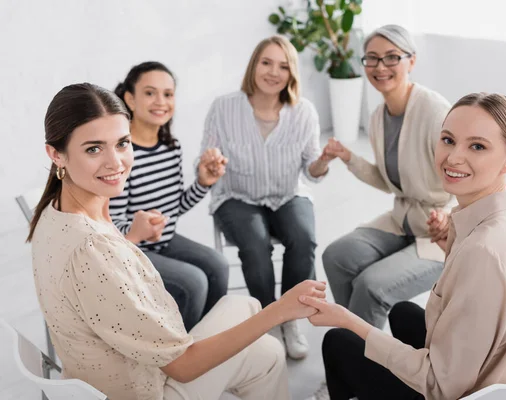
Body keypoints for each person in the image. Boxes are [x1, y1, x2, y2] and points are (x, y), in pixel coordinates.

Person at [28, 82, 327, 400]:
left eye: (122, 143)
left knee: (253, 322)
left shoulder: (53, 212)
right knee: (260, 331)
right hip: (146, 389)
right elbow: (182, 367)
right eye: (93, 148)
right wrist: (281, 310)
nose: (115, 162)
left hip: (102, 373)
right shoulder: (93, 249)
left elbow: (102, 275)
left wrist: (131, 238)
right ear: (56, 154)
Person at [304, 93, 506, 400]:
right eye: (448, 140)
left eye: (477, 146)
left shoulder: (484, 252)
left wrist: (347, 320)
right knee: (403, 312)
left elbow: (440, 385)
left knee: (340, 341)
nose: (453, 157)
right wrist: (452, 246)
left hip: (469, 391)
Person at [200, 35, 334, 359]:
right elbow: (205, 158)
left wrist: (324, 161)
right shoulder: (224, 107)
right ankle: (267, 319)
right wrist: (211, 164)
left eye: (283, 66)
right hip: (237, 195)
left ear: (292, 74)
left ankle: (291, 318)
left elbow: (310, 172)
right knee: (256, 245)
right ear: (254, 66)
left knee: (304, 238)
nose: (274, 72)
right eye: (266, 62)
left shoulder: (304, 112)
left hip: (288, 193)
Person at [320, 24, 453, 330]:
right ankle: (350, 345)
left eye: (392, 57)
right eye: (372, 58)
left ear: (412, 61)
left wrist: (450, 217)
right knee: (336, 257)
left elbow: (467, 174)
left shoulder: (436, 112)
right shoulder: (379, 117)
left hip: (441, 233)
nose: (380, 67)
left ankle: (362, 366)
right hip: (403, 219)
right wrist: (348, 158)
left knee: (371, 285)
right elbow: (390, 181)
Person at [109, 61, 229, 331]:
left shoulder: (171, 147)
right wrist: (139, 229)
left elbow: (174, 207)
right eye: (150, 93)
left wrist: (203, 182)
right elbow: (111, 223)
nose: (160, 101)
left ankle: (207, 340)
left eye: (168, 94)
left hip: (165, 241)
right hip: (132, 248)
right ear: (130, 98)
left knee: (218, 265)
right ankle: (179, 355)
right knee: (194, 281)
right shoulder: (120, 155)